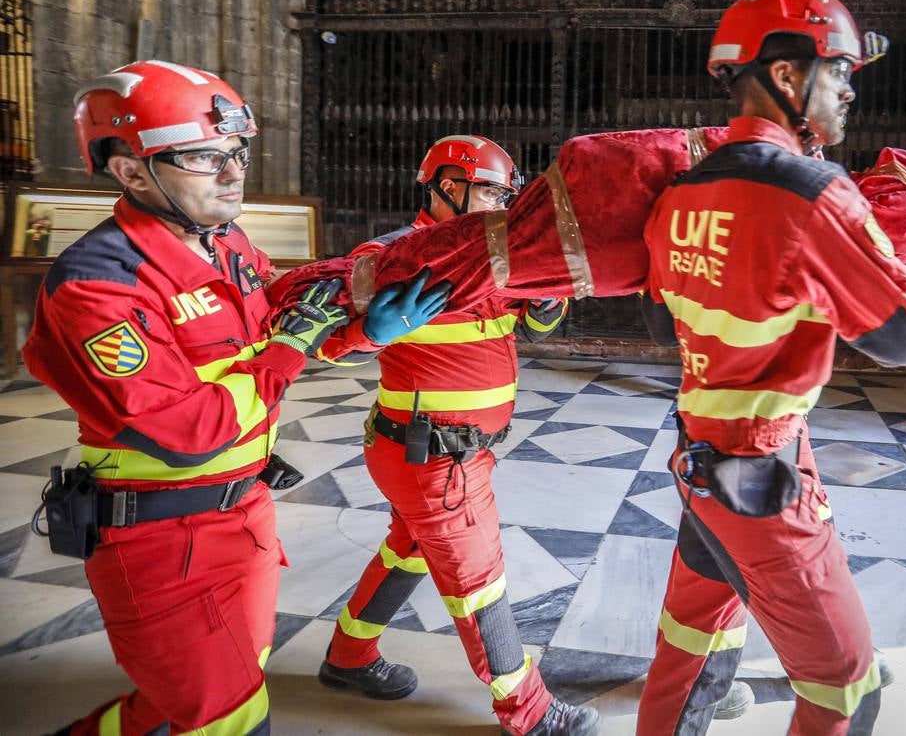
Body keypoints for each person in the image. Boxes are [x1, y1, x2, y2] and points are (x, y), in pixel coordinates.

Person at [22, 60, 418, 734]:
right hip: (162, 540)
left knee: (186, 698)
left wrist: (357, 327)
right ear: (131, 171)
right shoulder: (98, 283)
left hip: (242, 517)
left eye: (236, 152)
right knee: (225, 716)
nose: (234, 173)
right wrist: (292, 348)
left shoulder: (222, 241)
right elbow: (188, 429)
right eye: (205, 157)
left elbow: (277, 325)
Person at [635, 0, 906, 735]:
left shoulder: (681, 192)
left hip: (699, 452)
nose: (847, 94)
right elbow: (904, 339)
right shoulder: (812, 193)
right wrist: (894, 242)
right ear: (788, 75)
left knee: (691, 644)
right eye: (840, 73)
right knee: (845, 692)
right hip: (760, 476)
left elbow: (683, 305)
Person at [313, 134, 599, 736]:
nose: (502, 203)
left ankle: (348, 656)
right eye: (491, 191)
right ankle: (530, 711)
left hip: (446, 453)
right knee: (478, 583)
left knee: (410, 549)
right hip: (434, 456)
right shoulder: (393, 255)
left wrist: (549, 294)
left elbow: (538, 324)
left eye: (506, 193)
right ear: (448, 185)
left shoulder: (494, 255)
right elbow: (328, 344)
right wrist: (376, 329)